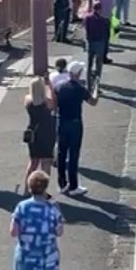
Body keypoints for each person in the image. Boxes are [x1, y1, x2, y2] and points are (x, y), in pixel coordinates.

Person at [55, 62, 97, 195]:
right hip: (75, 123)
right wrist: (96, 91)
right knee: (73, 155)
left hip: (62, 122)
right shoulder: (80, 88)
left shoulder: (60, 87)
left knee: (61, 154)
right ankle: (73, 186)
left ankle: (62, 183)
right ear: (78, 73)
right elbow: (93, 102)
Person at [10, 170, 65, 269]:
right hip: (47, 258)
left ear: (30, 187)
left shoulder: (22, 207)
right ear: (45, 188)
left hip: (26, 258)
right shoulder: (53, 208)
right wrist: (49, 197)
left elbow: (13, 232)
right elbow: (59, 232)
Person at [22, 77, 57, 183]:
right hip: (46, 133)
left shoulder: (28, 100)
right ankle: (43, 190)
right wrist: (49, 86)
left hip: (33, 133)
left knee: (33, 162)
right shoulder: (47, 102)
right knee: (46, 162)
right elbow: (54, 104)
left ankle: (28, 188)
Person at [83, 3, 110, 82]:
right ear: (100, 10)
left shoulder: (87, 18)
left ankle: (88, 82)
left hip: (90, 42)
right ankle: (97, 82)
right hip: (100, 43)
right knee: (98, 64)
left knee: (89, 63)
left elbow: (86, 30)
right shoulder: (104, 20)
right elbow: (106, 35)